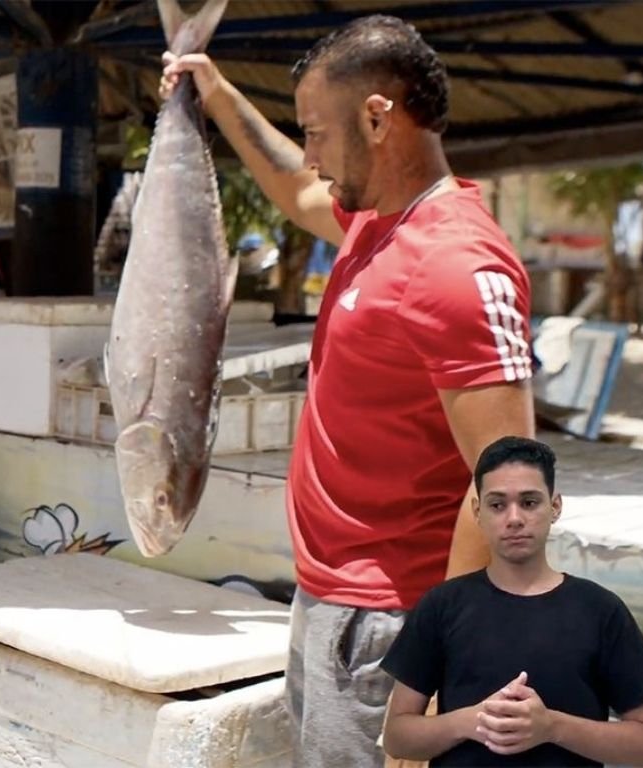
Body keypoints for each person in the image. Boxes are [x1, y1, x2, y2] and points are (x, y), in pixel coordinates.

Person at [161, 15, 535, 767]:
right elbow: (295, 188)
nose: (312, 154)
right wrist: (217, 92)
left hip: (393, 625)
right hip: (333, 601)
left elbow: (508, 478)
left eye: (319, 133)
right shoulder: (379, 224)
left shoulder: (456, 265)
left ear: (377, 119)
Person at [380, 437, 643, 767]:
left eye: (529, 502)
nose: (514, 518)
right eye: (497, 504)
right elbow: (398, 736)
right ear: (478, 511)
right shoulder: (442, 606)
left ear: (555, 506)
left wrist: (552, 727)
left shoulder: (600, 611)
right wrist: (474, 721)